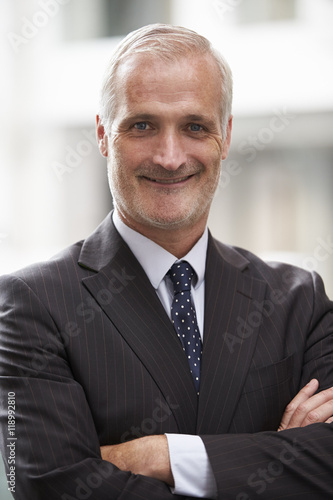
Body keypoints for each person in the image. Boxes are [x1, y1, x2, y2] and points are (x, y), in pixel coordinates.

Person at [0, 23, 333, 500]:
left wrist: (160, 455)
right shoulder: (31, 305)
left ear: (227, 136)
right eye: (142, 125)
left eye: (194, 127)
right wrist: (273, 460)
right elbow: (51, 486)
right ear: (102, 135)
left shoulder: (300, 301)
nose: (170, 156)